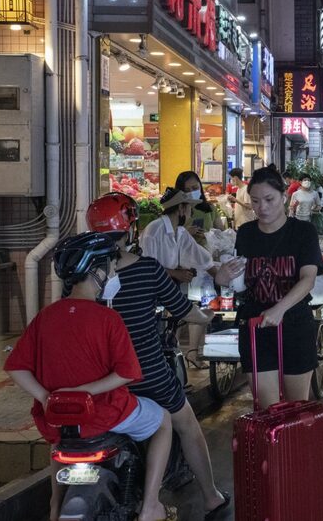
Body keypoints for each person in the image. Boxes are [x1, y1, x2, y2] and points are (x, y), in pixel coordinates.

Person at [4, 233, 174, 521]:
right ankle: (150, 507)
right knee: (163, 422)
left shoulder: (46, 317)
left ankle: (55, 507)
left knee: (59, 443)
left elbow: (15, 367)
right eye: (111, 268)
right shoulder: (109, 319)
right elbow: (127, 373)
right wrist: (86, 391)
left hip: (58, 420)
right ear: (97, 271)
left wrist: (47, 397)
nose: (113, 274)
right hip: (107, 414)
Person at [85, 194, 232, 518]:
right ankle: (210, 497)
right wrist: (205, 316)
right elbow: (183, 310)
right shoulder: (147, 269)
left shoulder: (83, 275)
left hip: (98, 378)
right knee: (186, 424)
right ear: (129, 229)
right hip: (146, 371)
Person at [230, 165, 323, 408]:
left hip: (295, 325)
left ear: (284, 197)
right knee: (269, 411)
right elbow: (239, 283)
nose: (262, 207)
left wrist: (280, 308)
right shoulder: (245, 233)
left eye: (269, 199)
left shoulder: (303, 232)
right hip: (256, 326)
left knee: (296, 409)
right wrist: (222, 276)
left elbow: (308, 279)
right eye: (255, 201)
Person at [140, 187, 218, 289]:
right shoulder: (154, 231)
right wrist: (175, 273)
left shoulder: (180, 231)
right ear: (181, 208)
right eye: (190, 209)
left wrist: (219, 277)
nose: (191, 215)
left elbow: (199, 255)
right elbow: (147, 267)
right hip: (153, 290)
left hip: (169, 287)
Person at [175, 170, 224, 248]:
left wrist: (207, 236)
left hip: (207, 252)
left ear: (200, 187)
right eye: (186, 190)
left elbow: (221, 234)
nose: (191, 192)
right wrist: (185, 233)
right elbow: (167, 238)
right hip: (183, 253)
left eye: (195, 188)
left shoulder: (210, 208)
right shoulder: (175, 212)